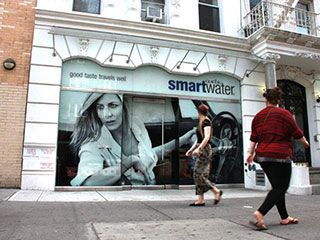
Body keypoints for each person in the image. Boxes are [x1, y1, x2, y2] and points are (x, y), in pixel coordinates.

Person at [70, 92, 194, 186]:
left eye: (113, 105)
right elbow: (87, 183)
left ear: (124, 107)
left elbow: (149, 155)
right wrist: (129, 162)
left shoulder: (136, 125)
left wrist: (183, 139)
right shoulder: (92, 144)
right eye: (100, 107)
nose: (107, 114)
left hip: (151, 192)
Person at [246, 87, 309, 230]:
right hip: (280, 155)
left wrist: (250, 153)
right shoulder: (285, 114)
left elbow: (254, 137)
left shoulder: (258, 116)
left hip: (262, 157)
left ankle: (285, 217)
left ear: (266, 99)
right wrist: (305, 143)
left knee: (277, 187)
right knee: (281, 187)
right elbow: (297, 132)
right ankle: (260, 212)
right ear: (278, 100)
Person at [186, 104, 223, 206]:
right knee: (199, 174)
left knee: (198, 174)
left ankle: (215, 190)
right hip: (201, 148)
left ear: (199, 112)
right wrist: (191, 149)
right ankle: (200, 199)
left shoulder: (206, 122)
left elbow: (206, 138)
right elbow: (199, 139)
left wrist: (199, 149)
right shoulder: (201, 122)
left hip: (205, 150)